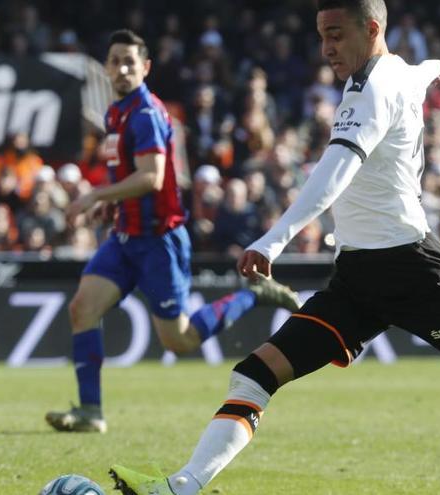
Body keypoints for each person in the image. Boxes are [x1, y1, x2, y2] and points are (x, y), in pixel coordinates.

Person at [109, 2, 440, 493]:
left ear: (371, 29)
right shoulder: (392, 73)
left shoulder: (373, 90)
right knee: (256, 372)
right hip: (358, 279)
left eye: (336, 35)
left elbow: (335, 170)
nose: (326, 49)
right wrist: (433, 66)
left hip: (415, 271)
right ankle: (180, 487)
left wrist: (276, 238)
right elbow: (415, 71)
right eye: (321, 36)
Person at [45, 30, 300, 434]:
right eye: (115, 60)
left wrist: (97, 194)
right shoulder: (116, 113)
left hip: (158, 242)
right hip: (125, 238)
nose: (122, 68)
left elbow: (152, 177)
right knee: (82, 309)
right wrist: (113, 202)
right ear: (107, 67)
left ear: (145, 67)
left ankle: (252, 295)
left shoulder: (145, 113)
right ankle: (91, 412)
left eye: (130, 61)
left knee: (178, 340)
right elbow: (131, 176)